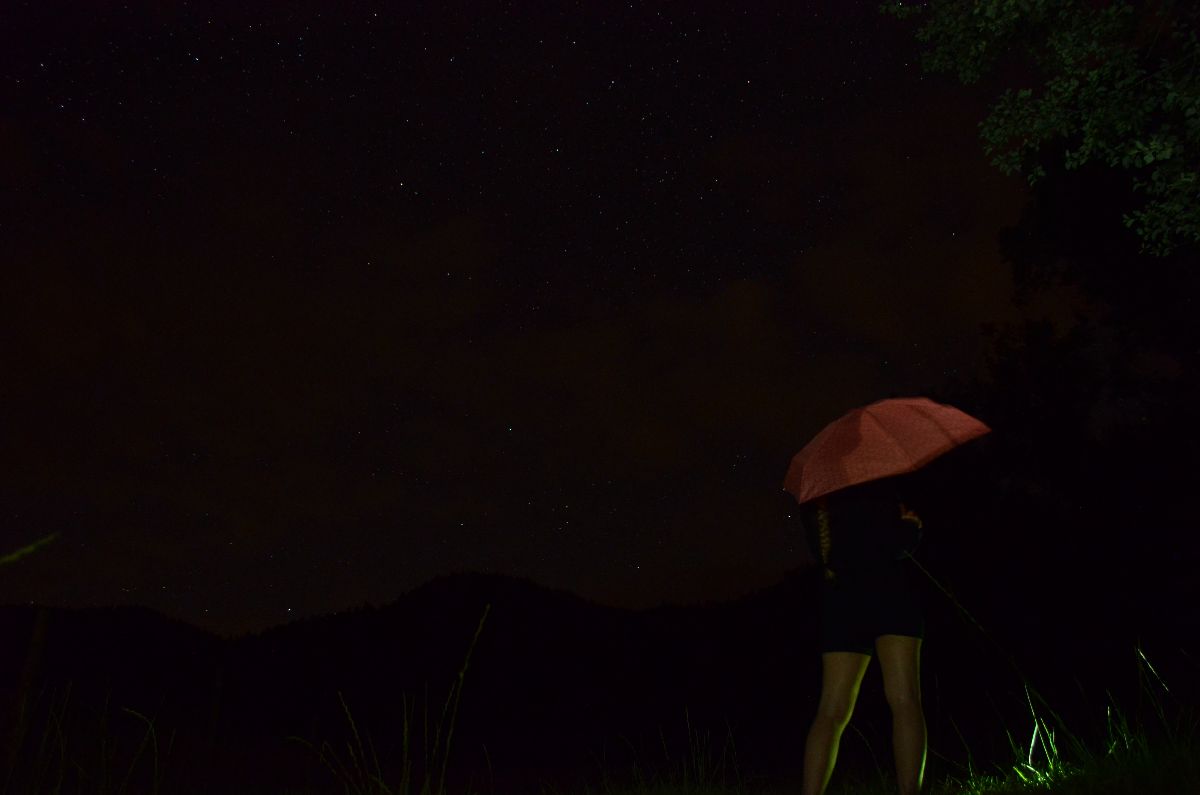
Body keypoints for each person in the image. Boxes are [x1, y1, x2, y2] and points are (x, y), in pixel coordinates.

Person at [799, 475, 927, 795]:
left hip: (841, 601)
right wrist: (911, 528)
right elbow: (893, 547)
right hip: (891, 595)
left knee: (831, 710)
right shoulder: (878, 485)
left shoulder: (817, 496)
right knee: (904, 699)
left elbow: (825, 552)